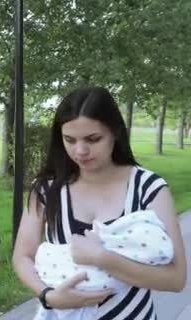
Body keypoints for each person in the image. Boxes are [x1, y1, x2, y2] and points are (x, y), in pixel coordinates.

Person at [12, 86, 187, 319]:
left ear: (114, 132)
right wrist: (49, 297)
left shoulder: (148, 188)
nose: (80, 150)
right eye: (69, 140)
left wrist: (102, 258)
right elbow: (22, 256)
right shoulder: (46, 189)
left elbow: (176, 279)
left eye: (93, 139)